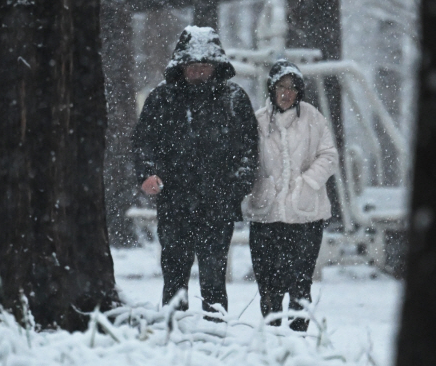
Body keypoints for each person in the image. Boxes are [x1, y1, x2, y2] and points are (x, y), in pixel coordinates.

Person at [133, 25, 258, 315]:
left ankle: (215, 329)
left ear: (216, 66)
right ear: (182, 66)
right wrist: (147, 174)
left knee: (214, 276)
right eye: (193, 66)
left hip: (217, 205)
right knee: (174, 273)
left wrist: (235, 189)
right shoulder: (161, 99)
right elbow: (143, 142)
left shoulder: (234, 100)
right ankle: (173, 327)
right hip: (174, 202)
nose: (199, 72)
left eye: (205, 66)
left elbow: (249, 150)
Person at [244, 59, 339, 331]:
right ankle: (272, 341)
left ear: (299, 92)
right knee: (268, 286)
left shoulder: (313, 118)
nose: (286, 93)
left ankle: (298, 344)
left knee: (300, 284)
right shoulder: (258, 121)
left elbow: (329, 156)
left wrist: (306, 183)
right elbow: (245, 159)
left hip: (305, 216)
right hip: (266, 214)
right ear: (271, 89)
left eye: (293, 88)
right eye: (281, 87)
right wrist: (261, 184)